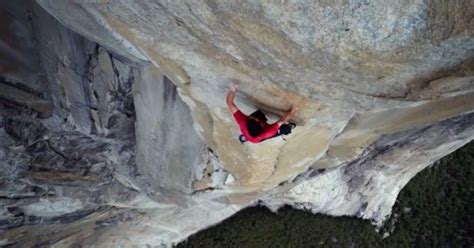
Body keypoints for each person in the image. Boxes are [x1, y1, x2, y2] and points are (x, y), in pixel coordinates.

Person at [226, 84, 298, 143]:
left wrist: (232, 90)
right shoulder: (267, 132)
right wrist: (293, 111)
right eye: (257, 121)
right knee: (283, 129)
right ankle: (289, 127)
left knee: (259, 113)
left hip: (250, 127)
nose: (256, 120)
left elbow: (230, 103)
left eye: (254, 120)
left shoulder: (242, 122)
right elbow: (282, 120)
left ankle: (247, 135)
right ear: (262, 127)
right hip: (259, 138)